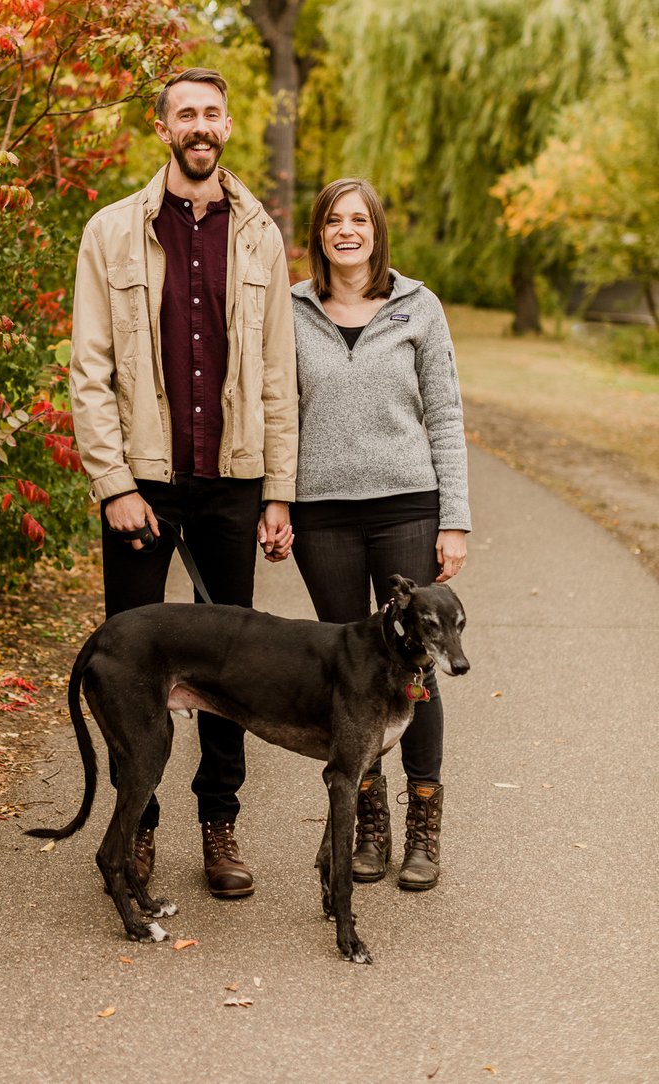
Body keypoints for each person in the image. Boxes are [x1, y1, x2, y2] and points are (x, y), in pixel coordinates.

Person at [69, 66, 298, 899]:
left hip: (232, 482)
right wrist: (113, 482)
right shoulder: (112, 233)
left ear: (228, 126)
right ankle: (139, 832)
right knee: (132, 666)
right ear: (162, 128)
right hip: (143, 484)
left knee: (231, 671)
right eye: (185, 114)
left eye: (212, 113)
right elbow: (89, 370)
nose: (200, 126)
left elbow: (277, 371)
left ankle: (220, 824)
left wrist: (278, 492)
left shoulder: (260, 235)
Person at [290, 177, 470, 891]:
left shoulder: (418, 307)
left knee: (416, 673)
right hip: (324, 515)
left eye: (359, 219)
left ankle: (423, 820)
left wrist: (453, 518)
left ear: (376, 230)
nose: (347, 230)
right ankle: (368, 824)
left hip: (407, 508)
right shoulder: (294, 310)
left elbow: (448, 415)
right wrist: (279, 502)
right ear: (319, 233)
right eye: (334, 220)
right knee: (350, 680)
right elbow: (278, 411)